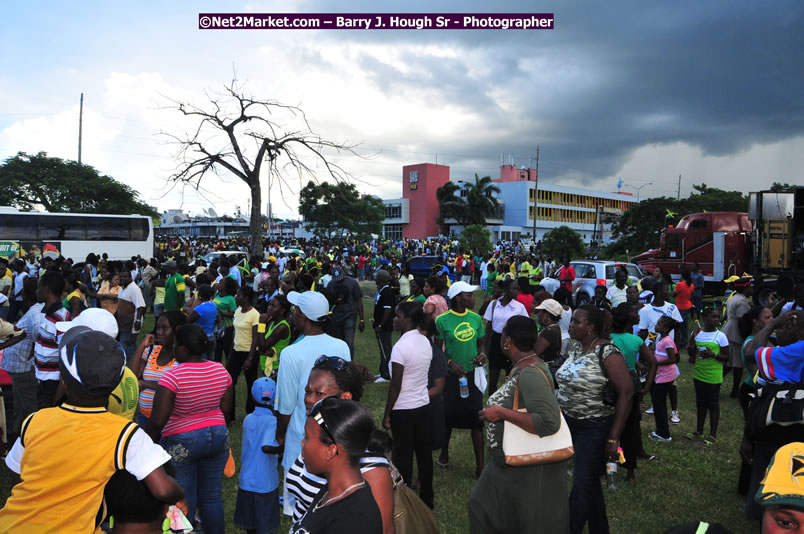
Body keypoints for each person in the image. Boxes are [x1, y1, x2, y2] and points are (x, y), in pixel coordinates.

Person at [0, 327, 183, 532]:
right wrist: (180, 494)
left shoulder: (35, 420)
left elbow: (18, 477)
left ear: (64, 382)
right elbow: (163, 489)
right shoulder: (125, 434)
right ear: (115, 384)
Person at [469, 315, 570, 533]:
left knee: (527, 521)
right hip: (505, 462)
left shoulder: (530, 373)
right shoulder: (523, 367)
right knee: (480, 507)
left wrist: (502, 413)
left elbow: (549, 421)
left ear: (507, 341)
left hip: (525, 465)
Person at [286, 357, 396, 532]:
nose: (308, 399)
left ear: (345, 398)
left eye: (319, 394)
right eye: (308, 391)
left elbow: (385, 529)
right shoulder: (319, 437)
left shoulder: (370, 466)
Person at [147, 324, 233, 534]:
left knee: (184, 497)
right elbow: (227, 409)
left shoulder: (172, 377)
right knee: (212, 495)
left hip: (182, 440)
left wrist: (147, 442)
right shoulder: (220, 369)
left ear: (183, 349)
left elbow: (158, 419)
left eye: (176, 345)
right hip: (218, 435)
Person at [555, 305, 634, 534]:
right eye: (572, 321)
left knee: (581, 485)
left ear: (590, 327)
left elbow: (626, 392)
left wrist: (613, 437)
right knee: (589, 482)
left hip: (595, 427)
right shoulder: (575, 348)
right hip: (570, 424)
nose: (571, 324)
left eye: (577, 322)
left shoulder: (608, 352)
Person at [276, 290, 350, 516]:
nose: (292, 314)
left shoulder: (290, 353)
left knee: (301, 513)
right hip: (335, 437)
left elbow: (286, 405)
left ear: (303, 317)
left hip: (302, 439)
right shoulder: (342, 346)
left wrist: (280, 436)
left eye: (295, 310)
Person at [289, 398, 383, 534]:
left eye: (307, 437)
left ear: (330, 450)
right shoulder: (330, 491)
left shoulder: (354, 522)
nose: (302, 443)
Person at [382, 300, 435, 508]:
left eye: (399, 316)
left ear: (409, 319)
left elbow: (396, 385)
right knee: (424, 455)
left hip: (403, 409)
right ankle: (427, 497)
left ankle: (403, 500)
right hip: (422, 406)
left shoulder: (400, 347)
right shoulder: (425, 342)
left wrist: (387, 414)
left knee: (402, 457)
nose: (395, 319)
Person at [436, 280, 487, 477]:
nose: (474, 299)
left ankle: (480, 465)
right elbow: (437, 350)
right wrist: (449, 363)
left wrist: (482, 354)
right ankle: (444, 452)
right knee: (448, 417)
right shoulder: (442, 321)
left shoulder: (475, 319)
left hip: (472, 374)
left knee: (477, 419)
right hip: (452, 377)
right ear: (458, 298)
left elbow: (481, 343)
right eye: (469, 296)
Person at [610, 303, 656, 481]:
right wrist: (647, 386)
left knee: (609, 426)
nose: (638, 315)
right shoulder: (636, 340)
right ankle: (630, 471)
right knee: (630, 428)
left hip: (611, 385)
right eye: (634, 312)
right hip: (630, 386)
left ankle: (607, 468)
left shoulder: (607, 339)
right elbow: (653, 362)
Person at [235, 377, 281, 534]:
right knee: (264, 525)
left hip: (247, 481)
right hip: (266, 483)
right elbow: (267, 447)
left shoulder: (248, 419)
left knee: (250, 525)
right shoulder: (272, 421)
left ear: (253, 397)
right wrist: (282, 448)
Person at [131, 310, 185, 427]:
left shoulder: (182, 356)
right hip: (144, 415)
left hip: (170, 419)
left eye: (165, 328)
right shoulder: (150, 351)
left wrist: (145, 384)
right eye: (158, 328)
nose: (159, 332)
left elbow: (178, 387)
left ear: (177, 330)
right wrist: (141, 347)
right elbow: (132, 375)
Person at [687, 307, 730, 445]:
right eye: (713, 317)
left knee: (713, 404)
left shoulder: (721, 336)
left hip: (713, 375)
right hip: (699, 374)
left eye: (718, 317)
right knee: (700, 403)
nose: (717, 320)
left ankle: (712, 434)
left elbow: (727, 357)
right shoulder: (698, 333)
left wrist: (713, 355)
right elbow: (690, 352)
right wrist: (693, 338)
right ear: (705, 318)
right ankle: (699, 430)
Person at [0, 301, 42, 437]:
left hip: (22, 367)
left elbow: (21, 334)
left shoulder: (36, 313)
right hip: (21, 367)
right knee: (21, 405)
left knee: (25, 406)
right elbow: (20, 334)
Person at [483, 278, 529, 392]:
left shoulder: (519, 307)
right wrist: (484, 346)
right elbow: (489, 326)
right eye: (513, 289)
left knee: (511, 377)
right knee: (493, 377)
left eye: (518, 289)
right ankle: (492, 402)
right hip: (496, 342)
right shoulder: (494, 304)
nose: (516, 292)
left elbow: (525, 325)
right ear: (506, 290)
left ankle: (509, 402)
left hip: (511, 342)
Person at [33, 270, 70, 409]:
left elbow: (66, 360)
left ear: (47, 290)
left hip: (52, 385)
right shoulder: (48, 315)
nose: (36, 291)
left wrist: (56, 398)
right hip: (44, 380)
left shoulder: (61, 319)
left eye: (39, 288)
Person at [228, 286, 261, 418]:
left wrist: (250, 358)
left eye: (239, 296)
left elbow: (255, 338)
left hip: (249, 352)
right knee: (229, 382)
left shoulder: (255, 315)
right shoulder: (237, 311)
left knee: (251, 383)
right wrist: (231, 351)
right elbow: (235, 333)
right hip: (236, 351)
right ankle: (229, 414)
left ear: (246, 298)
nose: (236, 298)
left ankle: (251, 412)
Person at [650, 315, 681, 443]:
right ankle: (660, 431)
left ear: (665, 328)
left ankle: (664, 434)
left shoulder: (667, 341)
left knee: (659, 405)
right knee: (658, 404)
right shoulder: (662, 339)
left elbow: (673, 359)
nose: (656, 326)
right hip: (661, 376)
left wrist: (655, 363)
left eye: (658, 324)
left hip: (665, 377)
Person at [327, 265, 365, 359]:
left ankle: (350, 364)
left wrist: (362, 320)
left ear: (343, 274)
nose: (338, 281)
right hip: (336, 317)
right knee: (337, 342)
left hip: (350, 315)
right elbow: (328, 301)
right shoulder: (331, 284)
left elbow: (359, 301)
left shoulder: (353, 283)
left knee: (349, 342)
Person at [723, 277, 753, 398]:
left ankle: (731, 388)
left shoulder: (735, 297)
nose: (752, 289)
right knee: (737, 364)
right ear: (745, 288)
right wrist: (745, 335)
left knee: (730, 362)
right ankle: (735, 390)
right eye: (750, 287)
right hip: (736, 333)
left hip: (728, 330)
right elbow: (742, 321)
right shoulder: (742, 302)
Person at [257, 294, 292, 378]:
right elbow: (260, 344)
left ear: (282, 310)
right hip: (266, 365)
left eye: (273, 306)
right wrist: (263, 351)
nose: (269, 308)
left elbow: (262, 345)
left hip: (275, 368)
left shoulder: (282, 327)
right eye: (269, 305)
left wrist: (261, 324)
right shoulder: (272, 323)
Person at [117, 269, 146, 366]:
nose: (123, 279)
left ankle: (131, 365)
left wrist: (137, 320)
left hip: (131, 324)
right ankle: (138, 363)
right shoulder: (123, 288)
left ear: (130, 277)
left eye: (125, 277)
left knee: (125, 345)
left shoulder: (134, 289)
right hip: (123, 323)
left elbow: (141, 306)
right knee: (132, 345)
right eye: (121, 277)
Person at [185, 284, 219, 361]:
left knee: (202, 360)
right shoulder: (213, 305)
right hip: (211, 336)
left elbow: (188, 320)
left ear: (200, 295)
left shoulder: (200, 308)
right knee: (211, 360)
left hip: (201, 337)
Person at [373, 269, 396, 382]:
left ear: (380, 280)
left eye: (377, 277)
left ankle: (386, 375)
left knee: (386, 350)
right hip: (381, 325)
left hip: (385, 327)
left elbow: (388, 311)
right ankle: (382, 371)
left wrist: (380, 325)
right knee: (382, 349)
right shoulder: (382, 291)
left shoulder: (387, 292)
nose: (375, 279)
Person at [213, 276, 238, 363]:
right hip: (217, 327)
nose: (219, 284)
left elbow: (234, 313)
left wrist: (221, 313)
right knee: (217, 351)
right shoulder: (217, 295)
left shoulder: (230, 299)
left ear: (226, 286)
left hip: (227, 327)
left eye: (221, 283)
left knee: (227, 350)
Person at [533, 299, 566, 364]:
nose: (538, 315)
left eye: (540, 312)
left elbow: (534, 354)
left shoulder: (548, 332)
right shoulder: (556, 328)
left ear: (546, 314)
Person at [674, 270, 695, 348]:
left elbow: (674, 294)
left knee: (678, 326)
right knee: (685, 326)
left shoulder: (679, 284)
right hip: (687, 306)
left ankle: (678, 342)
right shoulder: (691, 285)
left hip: (680, 306)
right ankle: (685, 342)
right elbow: (692, 294)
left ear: (682, 276)